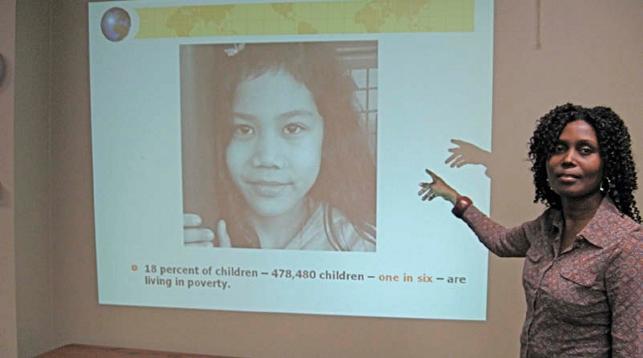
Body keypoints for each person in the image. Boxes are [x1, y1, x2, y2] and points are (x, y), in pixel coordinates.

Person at [419, 103, 641, 357]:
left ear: (607, 163)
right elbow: (501, 241)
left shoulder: (627, 245)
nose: (568, 159)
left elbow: (631, 349)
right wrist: (454, 197)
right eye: (558, 149)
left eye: (585, 150)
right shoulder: (547, 225)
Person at [185, 42, 376, 251]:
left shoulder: (356, 246)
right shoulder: (198, 230)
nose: (267, 158)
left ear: (328, 135)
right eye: (244, 129)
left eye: (292, 128)